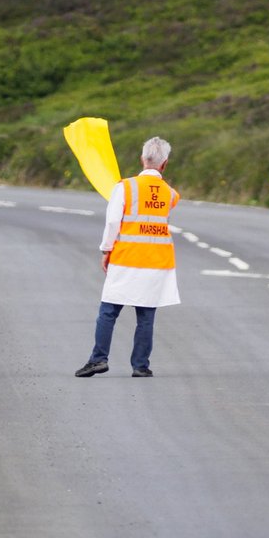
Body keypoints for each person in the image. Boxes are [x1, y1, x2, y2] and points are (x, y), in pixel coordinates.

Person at [75, 137, 180, 378]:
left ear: (142, 159)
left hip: (126, 258)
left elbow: (113, 222)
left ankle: (98, 359)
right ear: (164, 164)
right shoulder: (171, 194)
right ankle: (140, 365)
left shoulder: (125, 187)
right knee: (146, 315)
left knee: (108, 311)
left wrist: (106, 249)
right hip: (156, 261)